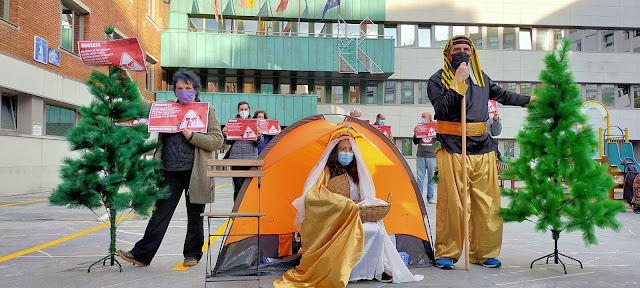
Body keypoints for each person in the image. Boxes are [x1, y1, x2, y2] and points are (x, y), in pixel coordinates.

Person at [427, 35, 534, 270]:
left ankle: (484, 253)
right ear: (448, 54)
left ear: (473, 53)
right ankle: (447, 252)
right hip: (453, 147)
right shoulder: (437, 80)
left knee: (487, 204)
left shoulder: (482, 79)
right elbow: (443, 109)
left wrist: (530, 100)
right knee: (452, 204)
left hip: (483, 148)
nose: (462, 53)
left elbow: (504, 96)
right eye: (457, 49)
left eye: (467, 49)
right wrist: (458, 81)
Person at [273, 128, 422, 287]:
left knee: (375, 231)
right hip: (332, 222)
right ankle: (343, 273)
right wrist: (342, 206)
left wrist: (362, 204)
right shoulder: (325, 171)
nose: (347, 152)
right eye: (343, 149)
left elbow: (364, 198)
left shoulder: (358, 173)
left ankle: (369, 271)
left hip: (356, 217)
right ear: (335, 151)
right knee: (362, 232)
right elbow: (311, 197)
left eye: (350, 149)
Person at [118, 69, 224, 267]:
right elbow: (143, 105)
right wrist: (129, 84)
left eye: (188, 88)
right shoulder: (166, 108)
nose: (184, 92)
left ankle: (192, 254)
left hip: (196, 173)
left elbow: (217, 140)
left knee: (195, 216)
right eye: (179, 88)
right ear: (174, 91)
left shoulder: (207, 111)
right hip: (169, 172)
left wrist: (193, 137)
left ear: (196, 90)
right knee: (159, 215)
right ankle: (141, 255)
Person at [222, 101, 264, 201]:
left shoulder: (255, 123)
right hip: (236, 160)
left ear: (249, 110)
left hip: (251, 159)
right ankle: (237, 212)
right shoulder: (233, 123)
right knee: (238, 187)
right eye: (241, 109)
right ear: (238, 110)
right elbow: (228, 142)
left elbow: (260, 142)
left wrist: (258, 136)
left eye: (245, 109)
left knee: (249, 188)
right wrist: (224, 134)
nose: (243, 111)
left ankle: (249, 210)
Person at [413, 112, 437, 204]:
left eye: (424, 117)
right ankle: (419, 198)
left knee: (431, 178)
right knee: (420, 178)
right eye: (421, 116)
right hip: (421, 155)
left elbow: (439, 139)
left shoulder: (435, 127)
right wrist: (415, 133)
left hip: (431, 156)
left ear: (429, 118)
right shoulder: (420, 127)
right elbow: (415, 142)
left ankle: (430, 198)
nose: (422, 118)